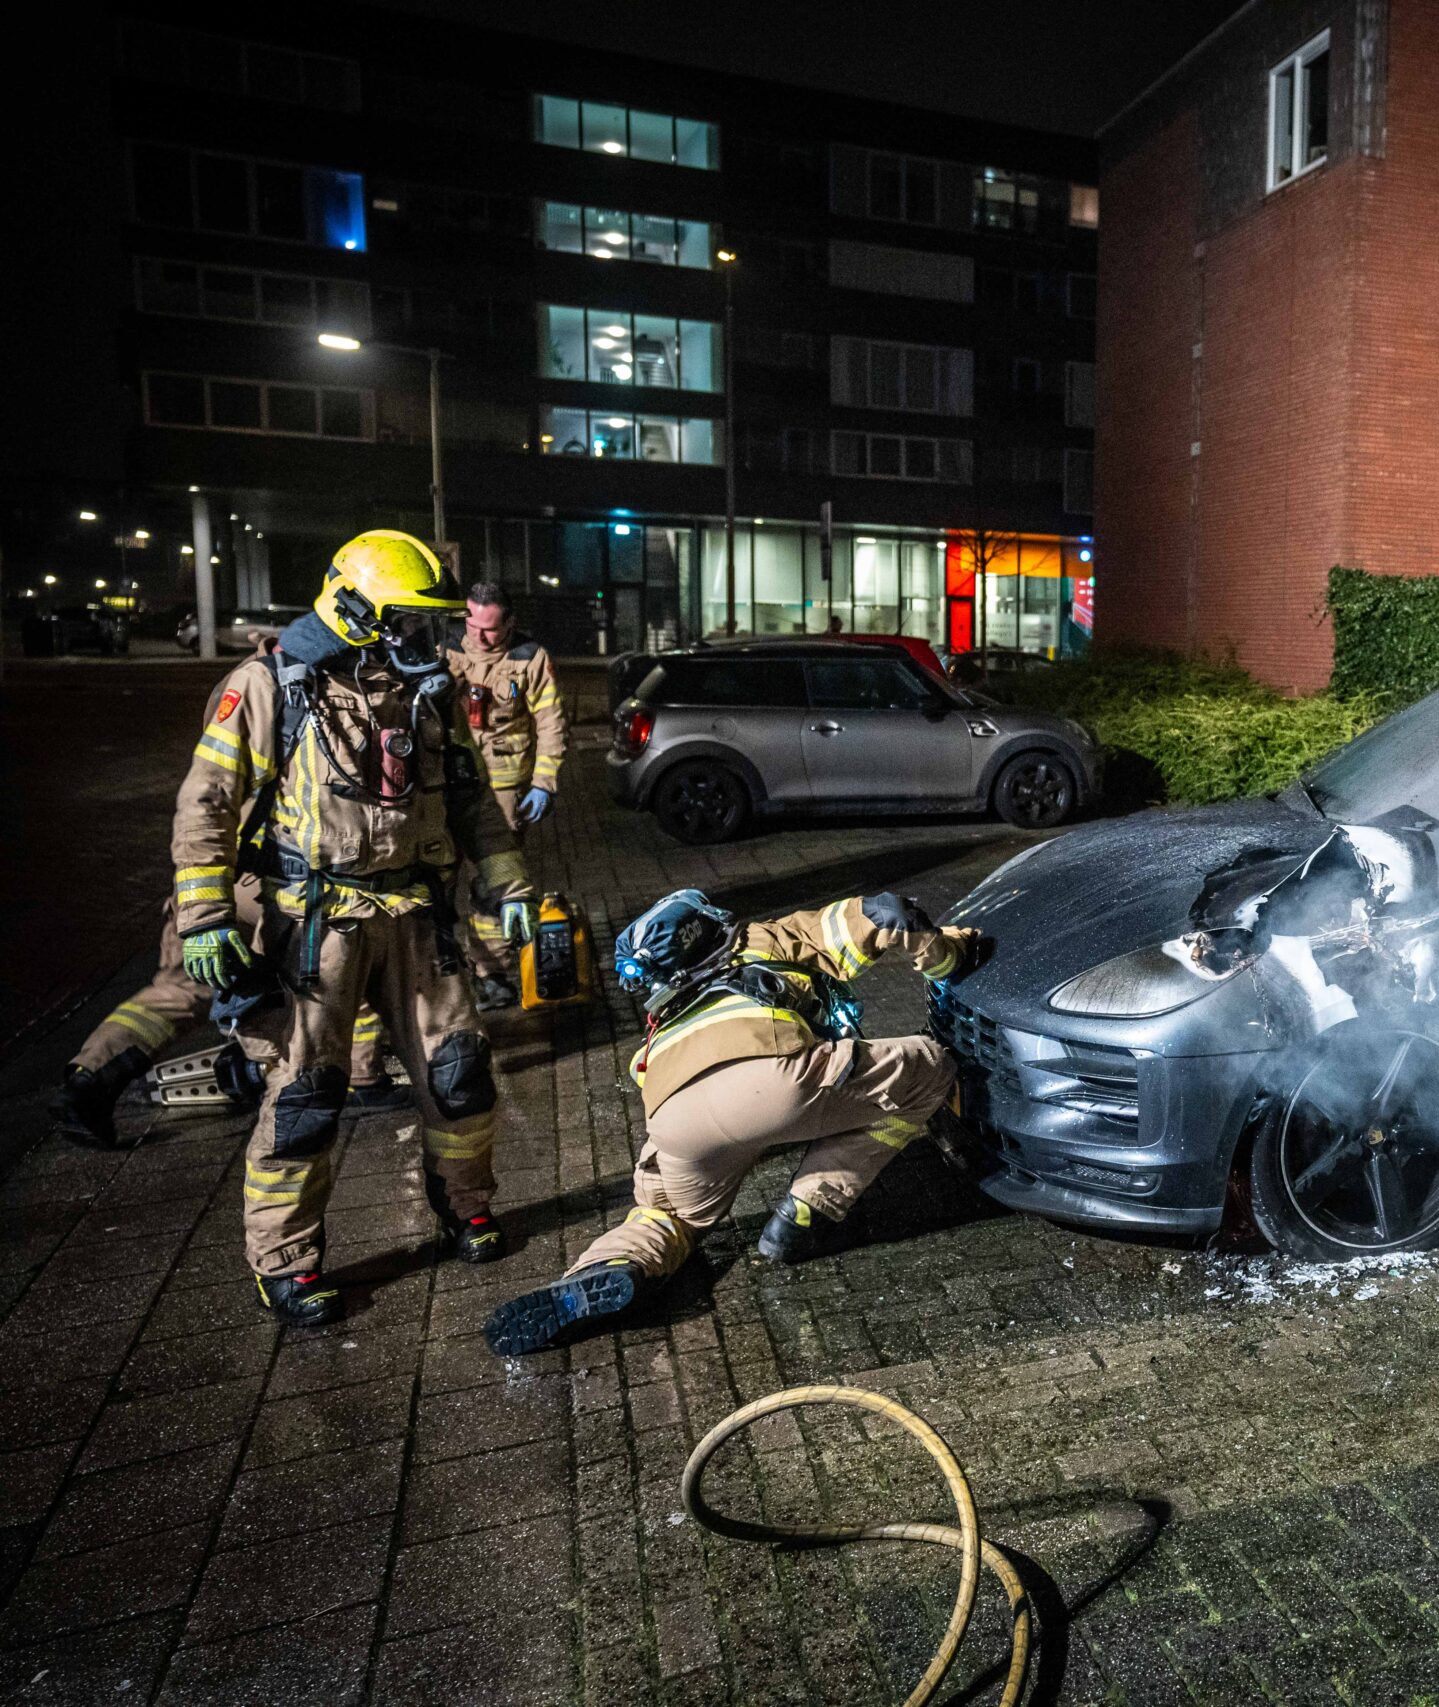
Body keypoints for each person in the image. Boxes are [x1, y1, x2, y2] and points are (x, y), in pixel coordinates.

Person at [175, 529, 534, 1327]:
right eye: (405, 617)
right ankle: (285, 1261)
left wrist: (509, 881)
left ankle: (465, 1205)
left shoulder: (425, 689)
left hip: (417, 917)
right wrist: (203, 913)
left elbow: (471, 796)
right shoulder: (269, 685)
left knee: (460, 1073)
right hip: (316, 925)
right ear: (355, 609)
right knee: (306, 1094)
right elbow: (206, 802)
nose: (423, 634)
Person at [481, 887, 982, 1356]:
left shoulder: (666, 1011)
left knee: (668, 1215)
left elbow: (648, 1075)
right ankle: (807, 1213)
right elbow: (888, 913)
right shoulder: (758, 939)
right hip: (779, 1080)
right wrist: (947, 960)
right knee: (929, 1069)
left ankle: (608, 1267)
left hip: (675, 1120)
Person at [55, 658, 399, 1146]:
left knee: (177, 990)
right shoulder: (302, 704)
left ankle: (88, 1079)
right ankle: (351, 1079)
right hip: (267, 886)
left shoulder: (242, 699)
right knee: (342, 975)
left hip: (206, 887)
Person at [446, 581, 567, 1009]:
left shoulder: (529, 658)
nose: (478, 636)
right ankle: (439, 974)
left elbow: (551, 724)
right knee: (437, 883)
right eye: (471, 624)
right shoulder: (445, 650)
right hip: (445, 783)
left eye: (491, 629)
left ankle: (491, 974)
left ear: (510, 623)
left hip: (501, 790)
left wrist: (542, 783)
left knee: (495, 887)